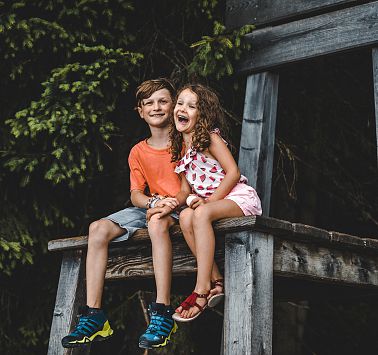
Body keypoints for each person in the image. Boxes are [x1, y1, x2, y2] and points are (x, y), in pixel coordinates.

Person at [62, 78, 183, 350]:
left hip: (183, 208)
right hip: (153, 205)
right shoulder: (138, 151)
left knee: (157, 223)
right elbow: (136, 195)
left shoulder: (184, 141)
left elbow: (194, 184)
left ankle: (162, 311)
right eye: (148, 103)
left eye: (163, 101)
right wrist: (152, 203)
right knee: (98, 229)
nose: (156, 107)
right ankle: (94, 315)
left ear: (174, 106)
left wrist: (169, 204)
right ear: (140, 111)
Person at [169, 83, 262, 322]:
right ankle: (217, 280)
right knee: (187, 216)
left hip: (237, 197)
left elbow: (232, 172)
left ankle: (201, 289)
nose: (183, 109)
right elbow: (184, 189)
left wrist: (209, 201)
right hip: (209, 205)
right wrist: (168, 203)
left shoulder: (210, 138)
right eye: (180, 103)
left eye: (192, 106)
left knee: (199, 214)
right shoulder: (180, 147)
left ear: (203, 114)